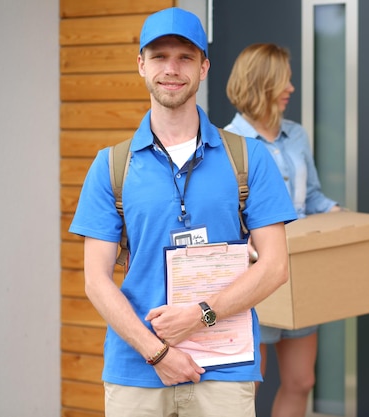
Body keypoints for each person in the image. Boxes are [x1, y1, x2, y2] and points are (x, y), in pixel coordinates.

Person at [69, 8, 297, 417]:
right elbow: (95, 281)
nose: (171, 69)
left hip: (226, 368)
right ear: (141, 64)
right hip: (136, 372)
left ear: (204, 67)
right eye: (159, 56)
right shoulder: (110, 166)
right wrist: (157, 353)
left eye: (185, 57)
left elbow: (276, 266)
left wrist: (201, 315)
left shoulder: (247, 157)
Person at [225, 43, 341, 417]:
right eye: (283, 79)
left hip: (300, 273)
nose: (291, 87)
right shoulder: (227, 144)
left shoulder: (297, 136)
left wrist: (341, 216)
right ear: (261, 83)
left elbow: (312, 197)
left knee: (301, 380)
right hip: (252, 277)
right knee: (249, 386)